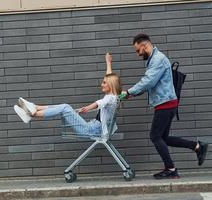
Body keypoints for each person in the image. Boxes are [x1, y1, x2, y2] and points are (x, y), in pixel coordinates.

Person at [122, 33, 208, 179]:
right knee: (164, 138)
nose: (138, 54)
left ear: (145, 45)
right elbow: (151, 83)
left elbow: (148, 81)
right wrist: (133, 94)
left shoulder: (158, 59)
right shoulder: (154, 59)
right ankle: (197, 147)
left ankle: (171, 169)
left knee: (155, 136)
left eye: (138, 50)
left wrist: (129, 92)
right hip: (166, 103)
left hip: (165, 104)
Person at [14, 53, 120, 140]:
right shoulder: (114, 97)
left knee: (65, 107)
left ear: (110, 85)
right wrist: (108, 62)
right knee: (64, 107)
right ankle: (34, 108)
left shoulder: (109, 98)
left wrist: (87, 108)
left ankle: (33, 113)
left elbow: (99, 103)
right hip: (93, 128)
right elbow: (110, 78)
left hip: (90, 130)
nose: (101, 84)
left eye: (104, 83)